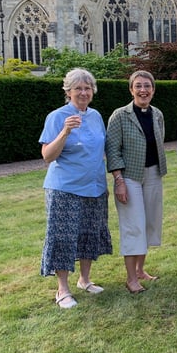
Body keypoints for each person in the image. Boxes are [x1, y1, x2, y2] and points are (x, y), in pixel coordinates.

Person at [39, 68, 112, 309]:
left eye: (87, 88)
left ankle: (85, 280)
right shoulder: (57, 117)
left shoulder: (96, 116)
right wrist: (65, 131)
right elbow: (48, 156)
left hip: (94, 187)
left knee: (89, 233)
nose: (83, 92)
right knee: (63, 237)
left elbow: (100, 150)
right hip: (65, 189)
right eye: (78, 88)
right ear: (68, 91)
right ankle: (62, 289)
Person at [106, 70, 167, 294]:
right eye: (138, 86)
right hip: (129, 176)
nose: (143, 90)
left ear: (153, 89)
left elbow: (158, 141)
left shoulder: (157, 114)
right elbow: (112, 149)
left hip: (153, 174)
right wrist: (119, 180)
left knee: (149, 223)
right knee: (133, 226)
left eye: (147, 86)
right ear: (131, 89)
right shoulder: (120, 116)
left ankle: (141, 270)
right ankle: (131, 279)